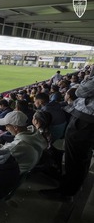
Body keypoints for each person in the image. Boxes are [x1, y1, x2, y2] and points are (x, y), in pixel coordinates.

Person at [40, 67, 94, 199]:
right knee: (82, 155)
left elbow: (81, 91)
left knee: (75, 157)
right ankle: (73, 184)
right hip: (87, 121)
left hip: (85, 120)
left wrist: (88, 78)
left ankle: (67, 191)